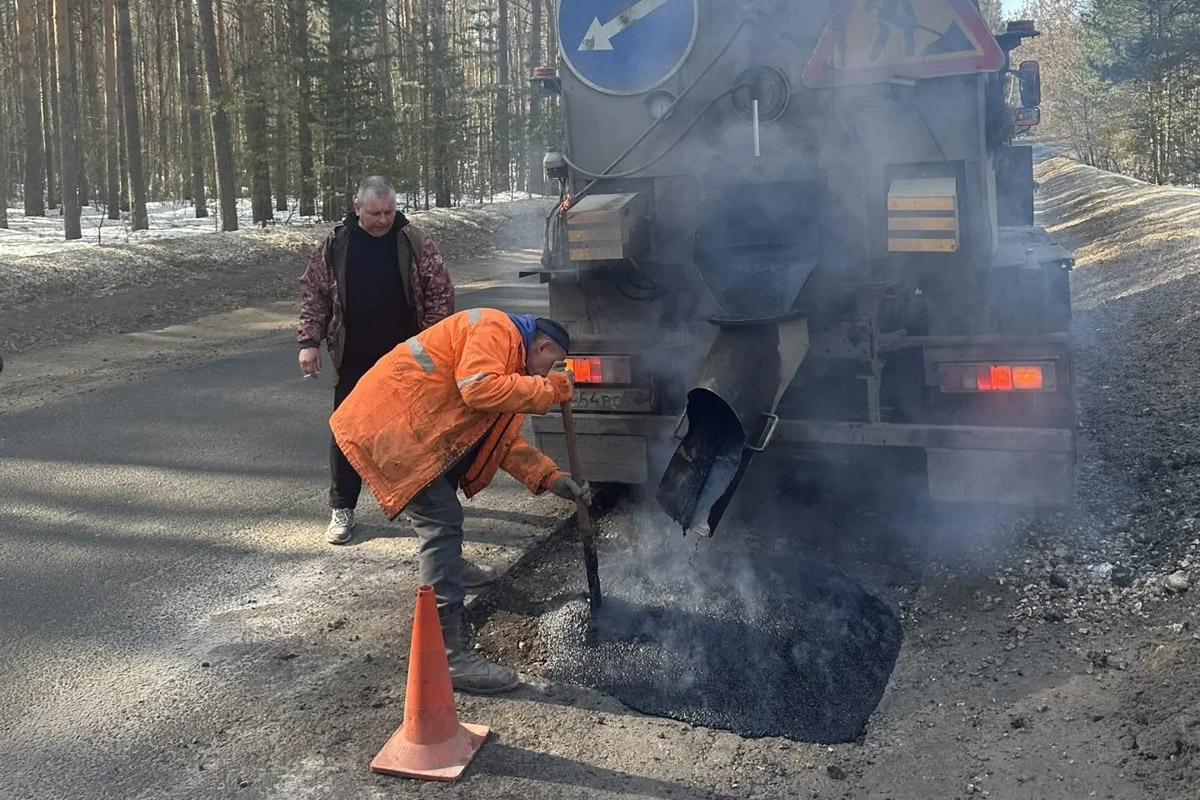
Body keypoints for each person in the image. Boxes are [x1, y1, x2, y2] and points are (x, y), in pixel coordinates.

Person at [330, 308, 593, 694]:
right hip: (391, 426)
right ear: (543, 345)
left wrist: (552, 478)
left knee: (442, 513)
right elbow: (477, 388)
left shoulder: (514, 364)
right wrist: (551, 389)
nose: (544, 376)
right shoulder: (494, 329)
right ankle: (450, 655)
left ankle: (449, 570)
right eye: (549, 365)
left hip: (416, 430)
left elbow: (502, 442)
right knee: (441, 518)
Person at [298, 175, 454, 546]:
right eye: (375, 213)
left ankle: (430, 504)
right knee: (346, 431)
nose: (383, 219)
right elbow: (314, 293)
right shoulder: (335, 245)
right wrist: (309, 341)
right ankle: (342, 508)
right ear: (357, 208)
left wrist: (433, 344)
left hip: (407, 359)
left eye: (389, 211)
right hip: (353, 355)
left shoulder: (414, 242)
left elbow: (440, 293)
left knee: (418, 432)